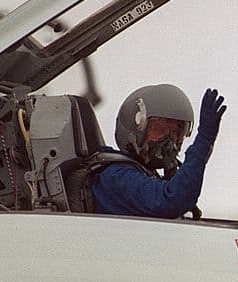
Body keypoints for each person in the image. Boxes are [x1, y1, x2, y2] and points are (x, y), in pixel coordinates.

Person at [90, 84, 226, 218]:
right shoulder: (116, 177)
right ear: (134, 130)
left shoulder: (147, 177)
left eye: (175, 133)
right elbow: (171, 201)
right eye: (159, 129)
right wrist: (204, 139)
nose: (169, 141)